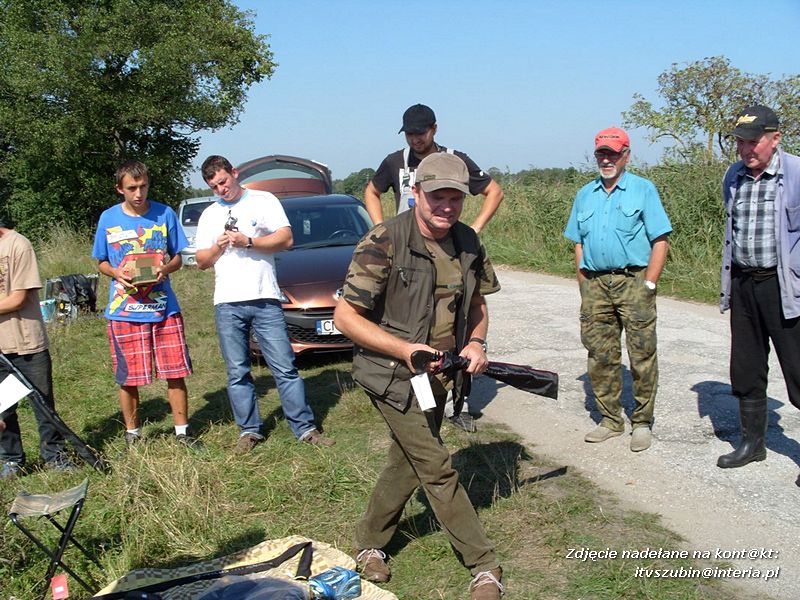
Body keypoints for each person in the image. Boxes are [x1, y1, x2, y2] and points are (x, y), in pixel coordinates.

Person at [334, 153, 504, 600]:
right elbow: (346, 316)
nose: (446, 206)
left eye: (455, 198)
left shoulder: (467, 241)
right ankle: (484, 565)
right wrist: (405, 349)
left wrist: (476, 343)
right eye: (437, 197)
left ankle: (369, 543)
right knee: (435, 464)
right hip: (391, 374)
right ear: (416, 194)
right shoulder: (384, 240)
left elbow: (478, 305)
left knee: (407, 460)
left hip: (440, 376)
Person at [195, 155, 334, 452]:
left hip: (265, 298)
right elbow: (201, 262)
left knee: (284, 367)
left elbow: (286, 239)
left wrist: (249, 242)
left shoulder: (263, 200)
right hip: (227, 303)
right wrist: (218, 247)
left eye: (223, 181)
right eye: (214, 186)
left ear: (234, 173)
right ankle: (249, 431)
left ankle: (305, 428)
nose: (221, 189)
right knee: (237, 372)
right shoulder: (208, 215)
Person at [564, 127, 672, 452]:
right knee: (600, 354)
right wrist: (584, 281)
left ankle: (642, 422)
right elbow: (578, 241)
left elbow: (660, 240)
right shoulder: (585, 194)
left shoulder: (643, 190)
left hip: (633, 281)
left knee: (641, 354)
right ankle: (610, 419)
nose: (607, 159)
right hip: (596, 283)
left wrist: (649, 283)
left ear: (626, 154)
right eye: (601, 153)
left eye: (613, 153)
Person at [93, 160, 200, 448]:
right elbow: (101, 261)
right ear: (120, 189)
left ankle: (183, 433)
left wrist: (165, 270)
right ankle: (133, 435)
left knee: (175, 372)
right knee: (129, 377)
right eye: (132, 188)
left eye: (143, 186)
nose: (139, 193)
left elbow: (178, 256)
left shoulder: (164, 213)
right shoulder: (108, 218)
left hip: (164, 308)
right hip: (124, 311)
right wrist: (116, 273)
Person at [717, 105, 800, 470]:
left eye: (754, 142)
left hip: (783, 287)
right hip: (744, 283)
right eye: (740, 142)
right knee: (747, 368)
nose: (746, 150)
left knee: (797, 369)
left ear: (775, 138)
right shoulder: (733, 176)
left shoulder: (796, 173)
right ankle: (752, 444)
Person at [0, 213, 77, 478]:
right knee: (2, 407)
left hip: (26, 340)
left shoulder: (18, 245)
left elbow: (17, 299)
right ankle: (12, 460)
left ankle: (54, 456)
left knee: (42, 403)